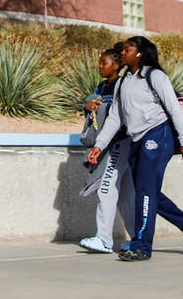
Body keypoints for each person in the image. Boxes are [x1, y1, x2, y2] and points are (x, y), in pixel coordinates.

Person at [87, 35, 183, 261]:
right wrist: (99, 145)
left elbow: (174, 108)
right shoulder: (123, 81)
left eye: (128, 49)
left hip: (158, 135)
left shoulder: (155, 76)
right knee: (146, 192)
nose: (124, 53)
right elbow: (115, 117)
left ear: (139, 53)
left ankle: (141, 246)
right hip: (137, 138)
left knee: (145, 192)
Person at [78, 47, 136, 253]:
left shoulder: (123, 84)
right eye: (100, 63)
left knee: (106, 189)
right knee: (126, 196)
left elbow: (120, 112)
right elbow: (93, 106)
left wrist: (98, 105)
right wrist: (89, 104)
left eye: (104, 63)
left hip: (120, 143)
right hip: (108, 144)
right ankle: (138, 238)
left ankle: (103, 239)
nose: (99, 66)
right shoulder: (102, 86)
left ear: (116, 65)